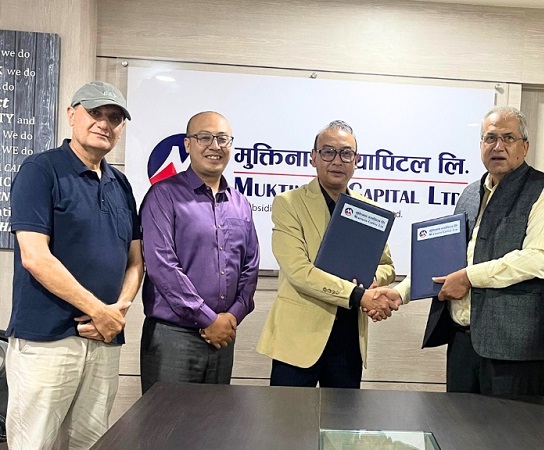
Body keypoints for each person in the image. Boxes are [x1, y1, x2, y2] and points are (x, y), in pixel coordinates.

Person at [385, 106, 544, 396]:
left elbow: (540, 259)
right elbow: (446, 258)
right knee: (458, 424)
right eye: (490, 138)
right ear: (480, 144)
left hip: (514, 348)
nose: (498, 146)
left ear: (525, 146)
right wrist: (400, 293)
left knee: (511, 426)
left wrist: (469, 277)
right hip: (463, 342)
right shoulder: (470, 193)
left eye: (508, 138)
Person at [7, 81, 143, 449]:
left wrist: (117, 312)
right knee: (35, 442)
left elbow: (135, 261)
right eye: (95, 113)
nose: (104, 123)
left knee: (92, 442)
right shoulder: (40, 170)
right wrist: (99, 311)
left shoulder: (120, 184)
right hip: (47, 340)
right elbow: (35, 256)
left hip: (104, 339)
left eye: (114, 118)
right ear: (71, 115)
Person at [256, 120, 398, 388]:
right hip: (298, 341)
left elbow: (386, 266)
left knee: (343, 416)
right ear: (313, 157)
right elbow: (298, 271)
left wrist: (370, 280)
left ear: (356, 160)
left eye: (346, 153)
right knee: (288, 415)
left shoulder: (369, 209)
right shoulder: (289, 204)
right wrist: (358, 294)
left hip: (348, 341)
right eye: (328, 152)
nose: (337, 161)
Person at [139, 111, 260, 394]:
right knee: (167, 420)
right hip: (173, 337)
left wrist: (232, 317)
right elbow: (161, 265)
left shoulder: (240, 203)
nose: (214, 146)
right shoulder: (164, 195)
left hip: (223, 337)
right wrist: (208, 318)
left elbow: (250, 266)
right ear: (187, 144)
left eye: (222, 139)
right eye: (204, 137)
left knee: (214, 420)